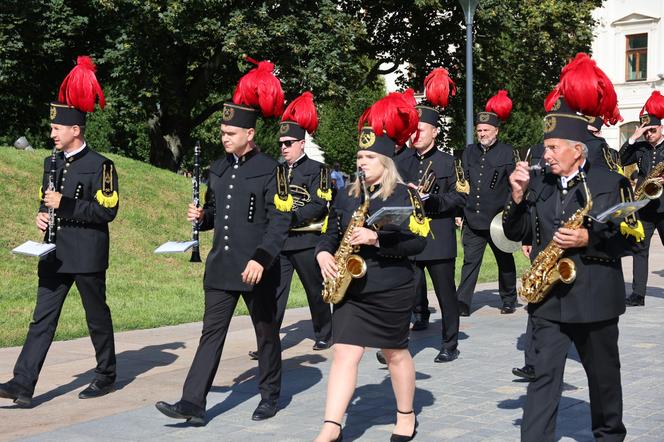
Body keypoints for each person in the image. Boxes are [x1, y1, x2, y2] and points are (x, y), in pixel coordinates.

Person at [504, 53, 642, 441]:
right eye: (544, 148)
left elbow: (630, 238)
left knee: (603, 379)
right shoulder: (540, 183)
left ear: (577, 150)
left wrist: (588, 238)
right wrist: (516, 197)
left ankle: (610, 434)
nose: (544, 156)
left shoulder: (607, 181)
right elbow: (517, 233)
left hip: (595, 296)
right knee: (543, 379)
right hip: (549, 300)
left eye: (552, 149)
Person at [155, 59, 291, 425]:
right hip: (221, 267)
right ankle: (192, 404)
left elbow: (280, 221)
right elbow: (219, 213)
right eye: (222, 131)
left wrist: (262, 259)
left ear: (250, 134)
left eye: (231, 132)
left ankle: (269, 395)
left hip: (256, 268)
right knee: (210, 334)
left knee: (265, 334)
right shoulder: (218, 168)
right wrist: (203, 218)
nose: (224, 137)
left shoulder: (271, 170)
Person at [0, 56, 118, 408]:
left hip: (86, 253)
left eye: (56, 129)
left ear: (75, 131)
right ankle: (23, 383)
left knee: (96, 317)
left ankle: (106, 374)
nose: (51, 133)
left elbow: (107, 210)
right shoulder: (50, 162)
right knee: (42, 318)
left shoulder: (101, 166)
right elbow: (45, 200)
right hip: (54, 252)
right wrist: (41, 214)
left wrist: (64, 205)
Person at [313, 93, 426, 442]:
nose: (362, 162)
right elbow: (329, 233)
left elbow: (419, 242)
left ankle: (406, 416)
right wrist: (322, 255)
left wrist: (377, 239)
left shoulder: (404, 196)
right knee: (345, 351)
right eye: (359, 156)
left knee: (394, 353)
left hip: (391, 286)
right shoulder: (347, 194)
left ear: (386, 161)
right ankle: (331, 426)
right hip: (352, 289)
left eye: (369, 157)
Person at [248, 92, 332, 360]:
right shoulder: (276, 171)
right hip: (280, 243)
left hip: (306, 240)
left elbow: (319, 205)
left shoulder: (319, 170)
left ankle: (324, 333)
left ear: (301, 143)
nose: (283, 147)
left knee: (315, 291)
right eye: (281, 143)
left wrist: (290, 218)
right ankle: (268, 341)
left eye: (288, 143)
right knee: (273, 295)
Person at [399, 68, 466, 363]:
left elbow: (461, 198)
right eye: (412, 131)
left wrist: (432, 200)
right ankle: (398, 342)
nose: (415, 136)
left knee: (446, 295)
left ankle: (449, 342)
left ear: (435, 132)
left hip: (438, 241)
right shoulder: (401, 160)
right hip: (408, 239)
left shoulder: (450, 162)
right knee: (404, 294)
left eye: (421, 131)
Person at [456, 90, 518, 315]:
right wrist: (459, 212)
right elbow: (464, 184)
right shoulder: (468, 152)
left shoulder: (507, 152)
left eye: (486, 130)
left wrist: (511, 214)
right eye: (479, 130)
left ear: (496, 131)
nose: (482, 134)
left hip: (497, 219)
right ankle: (462, 303)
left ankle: (509, 298)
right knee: (470, 263)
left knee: (504, 260)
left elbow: (514, 185)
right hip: (473, 217)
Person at [619, 91, 664, 307]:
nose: (649, 135)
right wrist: (634, 137)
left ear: (661, 127)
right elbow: (620, 158)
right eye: (646, 132)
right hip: (644, 205)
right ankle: (638, 294)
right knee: (639, 249)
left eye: (652, 130)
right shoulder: (640, 147)